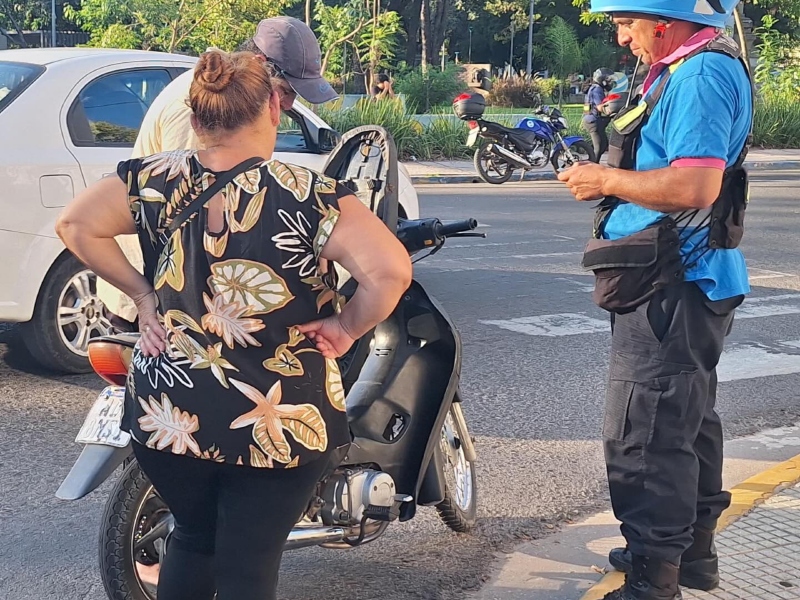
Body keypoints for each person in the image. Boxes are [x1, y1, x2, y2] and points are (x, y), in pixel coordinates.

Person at [56, 49, 412, 600]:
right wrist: (345, 328)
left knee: (195, 540)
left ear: (196, 119)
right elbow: (389, 272)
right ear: (274, 106)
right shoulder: (308, 194)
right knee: (249, 563)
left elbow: (75, 224)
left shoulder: (154, 179)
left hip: (169, 413)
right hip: (281, 418)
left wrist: (143, 294)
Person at [558, 1, 752, 599]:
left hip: (675, 279)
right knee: (686, 419)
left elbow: (696, 184)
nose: (622, 36)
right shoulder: (690, 66)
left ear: (663, 19)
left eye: (627, 23)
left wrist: (605, 181)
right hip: (686, 277)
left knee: (646, 430)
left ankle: (653, 579)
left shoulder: (697, 75)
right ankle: (688, 554)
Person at [97, 16, 338, 331]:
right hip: (159, 295)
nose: (289, 104)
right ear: (260, 63)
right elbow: (187, 217)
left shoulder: (230, 102)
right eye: (287, 90)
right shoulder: (202, 107)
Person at [582, 67, 617, 163]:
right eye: (607, 79)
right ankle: (593, 166)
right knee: (599, 146)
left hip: (591, 119)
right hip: (593, 121)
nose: (609, 82)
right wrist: (612, 110)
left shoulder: (594, 87)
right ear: (601, 79)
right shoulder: (597, 89)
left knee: (604, 144)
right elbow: (599, 107)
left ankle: (594, 163)